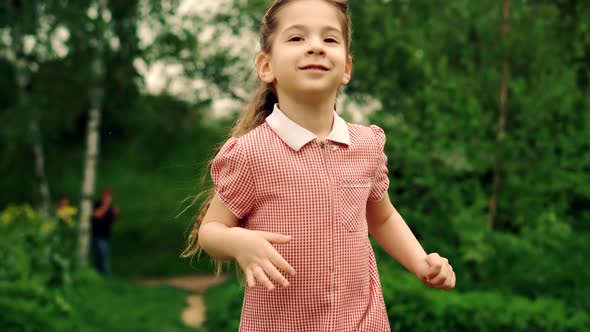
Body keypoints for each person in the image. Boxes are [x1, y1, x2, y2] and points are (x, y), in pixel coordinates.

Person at [182, 1, 455, 330]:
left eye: (330, 39)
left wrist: (421, 262)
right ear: (266, 66)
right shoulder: (251, 153)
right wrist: (240, 243)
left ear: (347, 68)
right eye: (296, 38)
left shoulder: (366, 145)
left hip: (363, 323)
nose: (315, 47)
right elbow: (211, 231)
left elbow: (382, 218)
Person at [91, 186, 120, 276]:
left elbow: (111, 221)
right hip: (97, 235)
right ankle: (105, 275)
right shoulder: (97, 205)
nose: (107, 198)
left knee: (103, 257)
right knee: (101, 257)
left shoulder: (110, 207)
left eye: (109, 196)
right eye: (105, 196)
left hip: (106, 235)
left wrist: (115, 214)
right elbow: (96, 215)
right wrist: (105, 206)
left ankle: (101, 275)